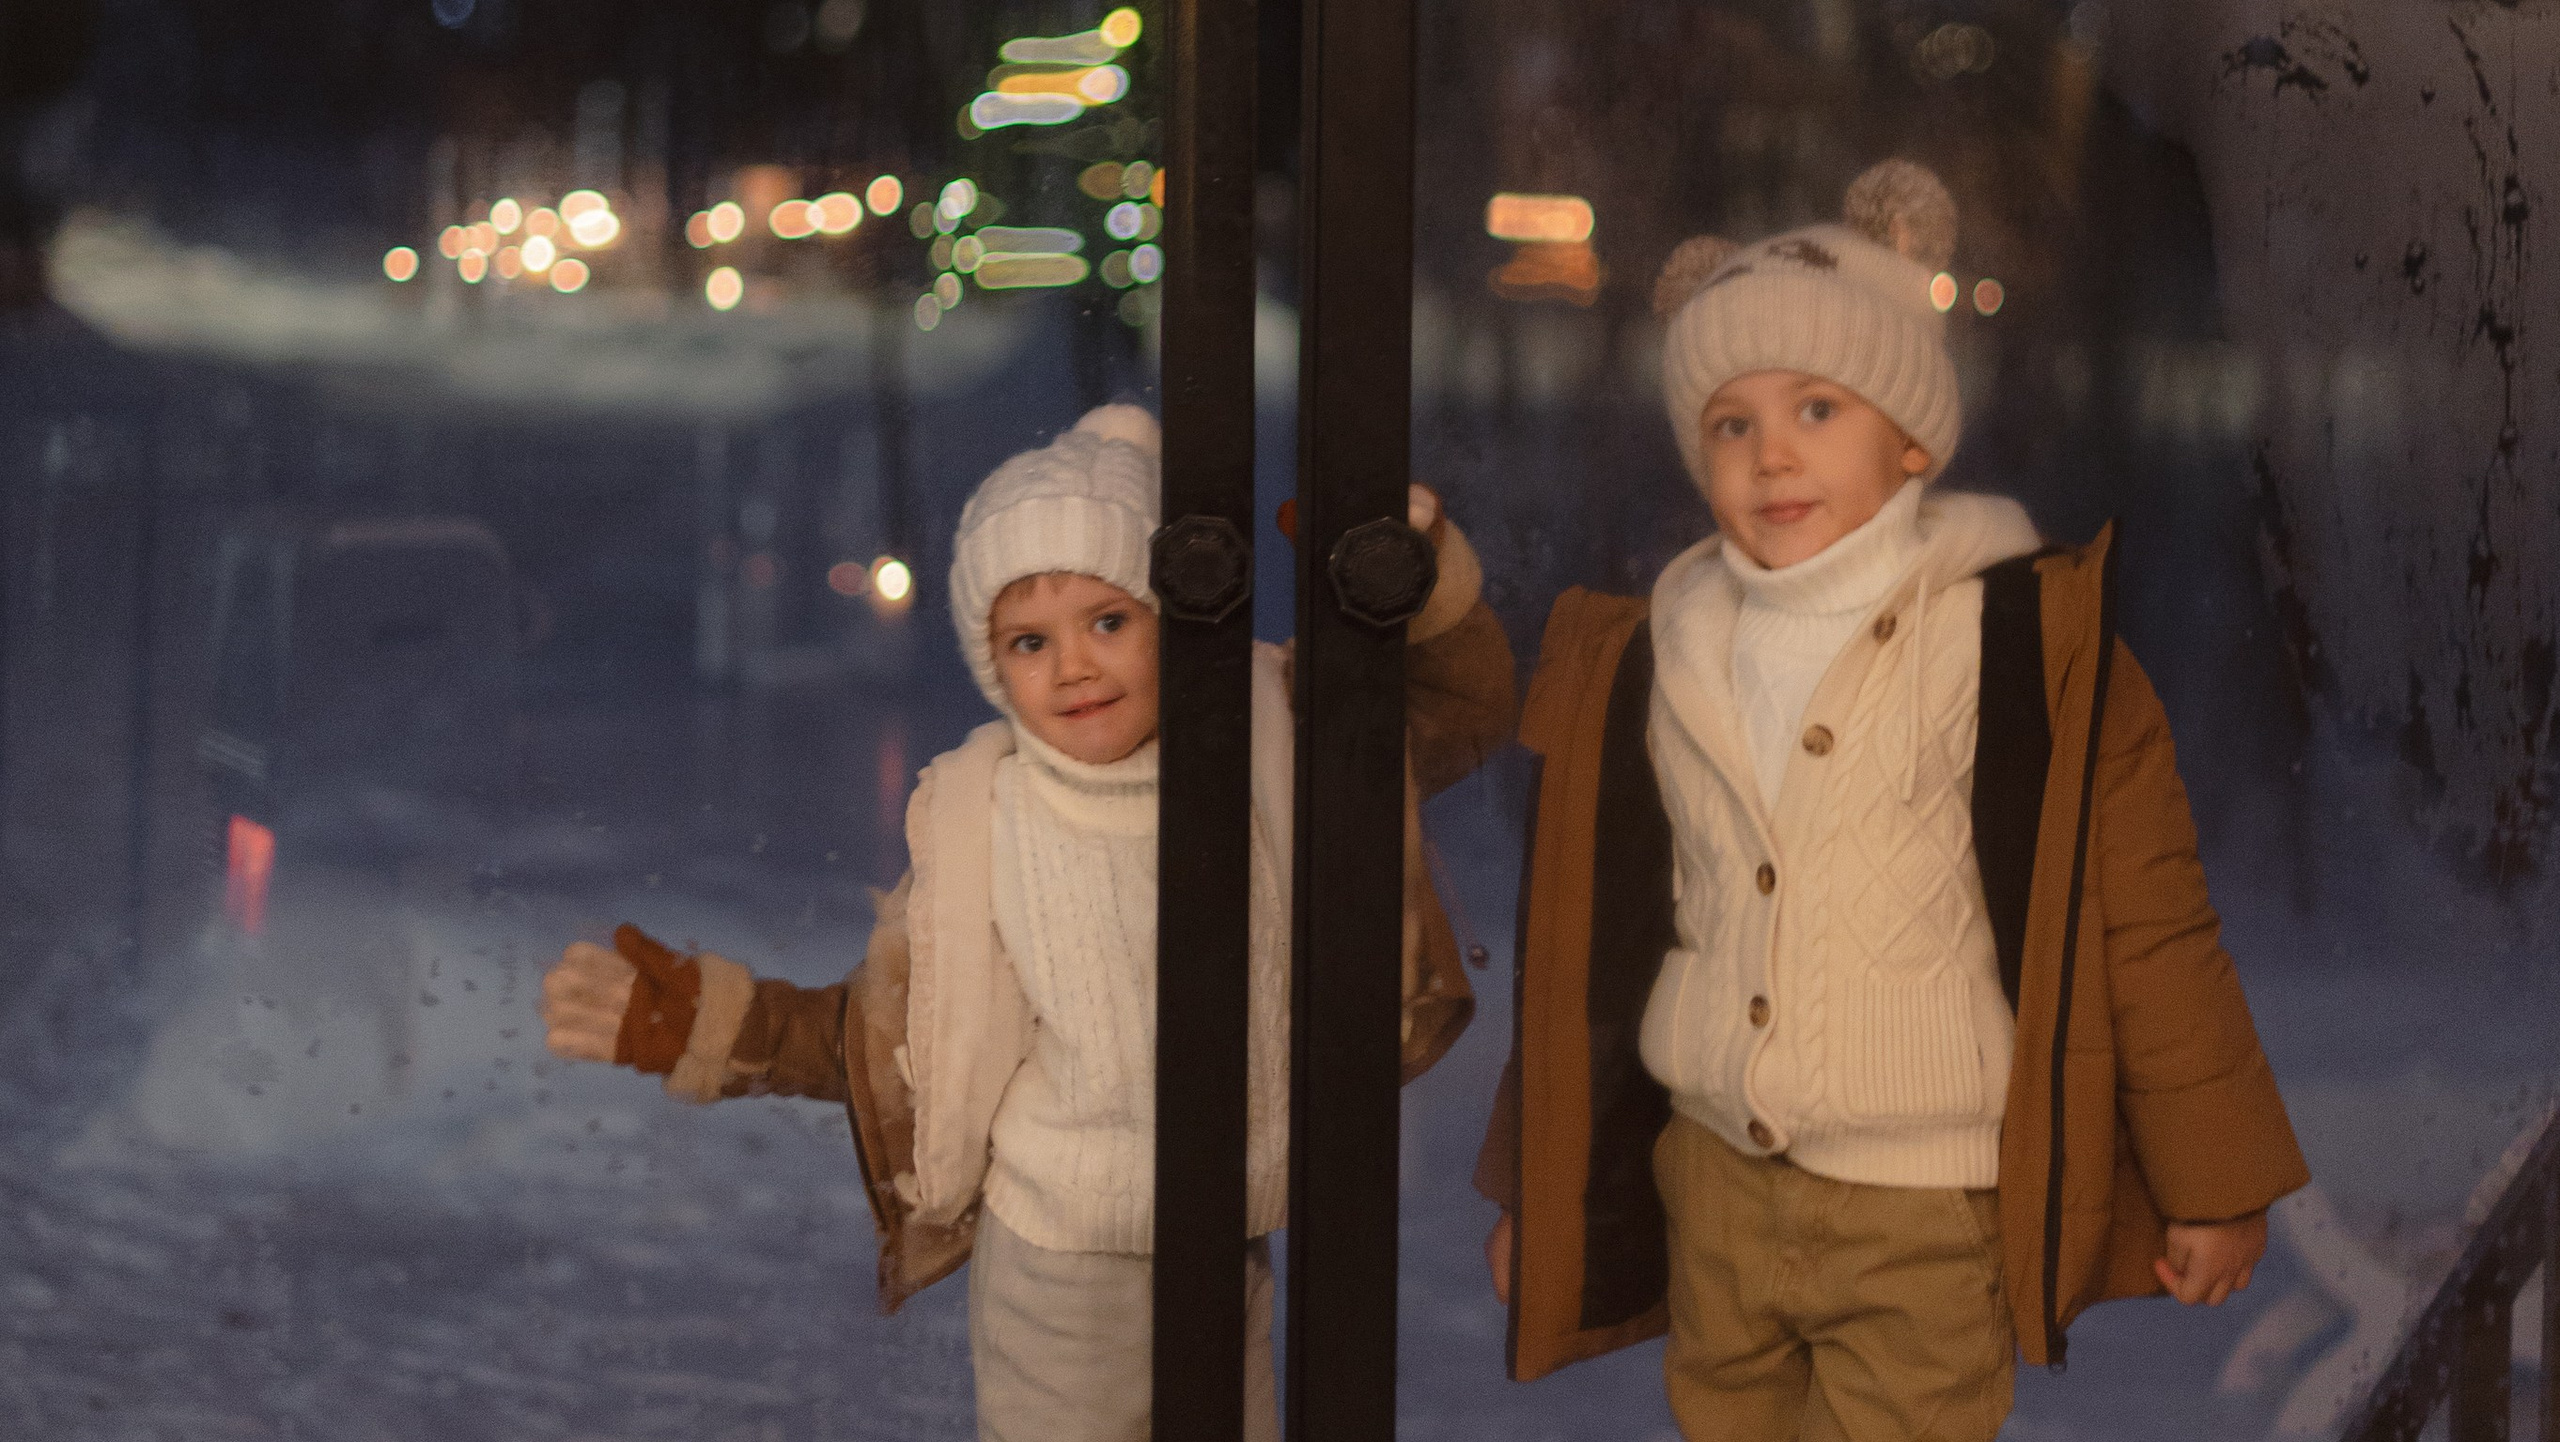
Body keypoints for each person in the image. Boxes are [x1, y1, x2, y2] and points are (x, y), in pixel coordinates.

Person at [1472, 160, 2309, 1440]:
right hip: (1712, 1180)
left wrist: (2216, 1177)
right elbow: (1593, 945)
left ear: (1911, 435)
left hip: (1924, 1205)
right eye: (1729, 423)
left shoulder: (2018, 644)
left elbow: (2148, 926)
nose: (1770, 452)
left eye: (1817, 407)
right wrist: (1539, 1191)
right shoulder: (1658, 650)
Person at [540, 404, 1514, 1442]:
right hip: (1057, 1258)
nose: (1073, 666)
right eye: (1030, 641)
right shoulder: (986, 821)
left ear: (1174, 616)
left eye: (1109, 621)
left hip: (1229, 1232)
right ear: (992, 662)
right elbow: (895, 1031)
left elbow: (1455, 709)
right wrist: (706, 1020)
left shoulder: (1270, 739)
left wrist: (1413, 582)